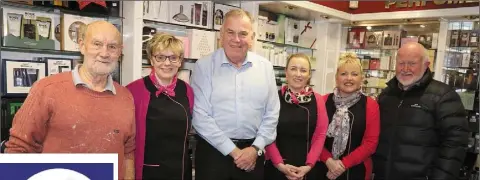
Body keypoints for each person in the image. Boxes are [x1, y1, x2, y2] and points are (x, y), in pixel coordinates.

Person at [3, 21, 135, 179]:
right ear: (82, 46)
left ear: (120, 52)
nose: (105, 53)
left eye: (112, 47)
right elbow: (18, 149)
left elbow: (128, 153)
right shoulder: (47, 89)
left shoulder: (125, 97)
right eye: (97, 44)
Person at [191, 9, 280, 180]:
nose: (237, 39)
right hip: (213, 155)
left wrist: (255, 149)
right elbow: (200, 117)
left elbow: (272, 114)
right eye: (230, 32)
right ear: (221, 35)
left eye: (243, 34)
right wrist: (235, 152)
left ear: (252, 38)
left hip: (253, 155)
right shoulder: (204, 66)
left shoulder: (265, 68)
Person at [372, 42, 469, 180]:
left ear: (426, 64)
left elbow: (455, 144)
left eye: (412, 63)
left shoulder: (443, 95)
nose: (405, 69)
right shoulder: (387, 95)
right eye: (401, 63)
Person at [126, 33, 194, 180]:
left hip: (181, 170)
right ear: (151, 59)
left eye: (173, 57)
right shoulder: (133, 90)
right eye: (160, 57)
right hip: (148, 172)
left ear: (180, 61)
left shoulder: (187, 90)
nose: (167, 63)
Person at [264, 54, 329, 180]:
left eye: (303, 70)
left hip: (308, 170)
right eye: (293, 69)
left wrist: (308, 165)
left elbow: (320, 135)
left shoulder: (318, 100)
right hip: (276, 168)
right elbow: (266, 132)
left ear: (309, 75)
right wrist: (280, 165)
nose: (298, 74)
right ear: (286, 72)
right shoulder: (273, 98)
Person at [317, 52, 380, 180]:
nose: (349, 78)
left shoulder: (370, 105)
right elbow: (315, 137)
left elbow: (370, 143)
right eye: (343, 74)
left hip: (356, 171)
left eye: (354, 74)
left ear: (361, 78)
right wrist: (328, 160)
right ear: (336, 78)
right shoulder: (322, 102)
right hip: (322, 168)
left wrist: (342, 165)